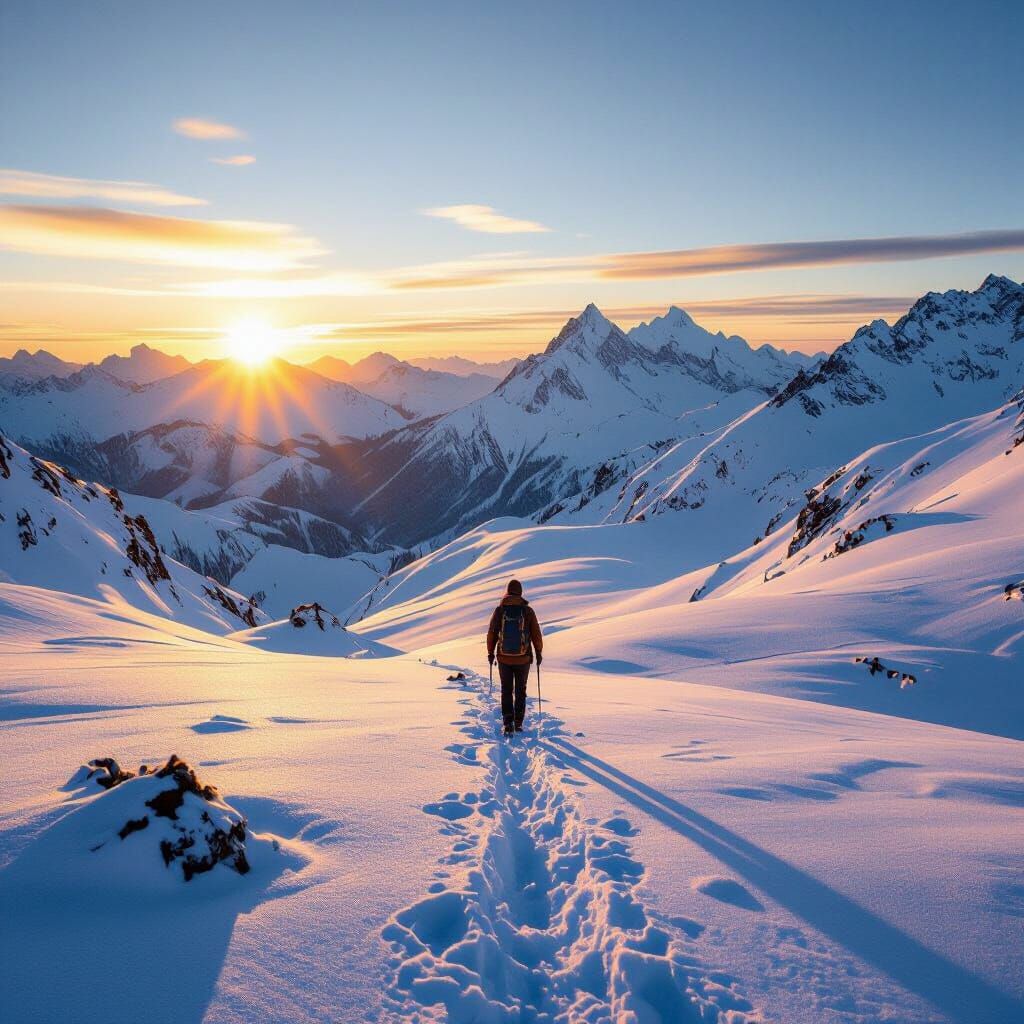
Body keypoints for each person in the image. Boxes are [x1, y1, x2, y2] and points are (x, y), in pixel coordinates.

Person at [486, 579, 543, 734]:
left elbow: (492, 633)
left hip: (503, 658)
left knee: (506, 689)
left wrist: (490, 653)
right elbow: (536, 634)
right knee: (520, 690)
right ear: (520, 592)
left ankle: (508, 722)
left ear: (507, 591)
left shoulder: (500, 610)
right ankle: (518, 722)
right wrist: (538, 652)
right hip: (523, 658)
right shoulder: (528, 611)